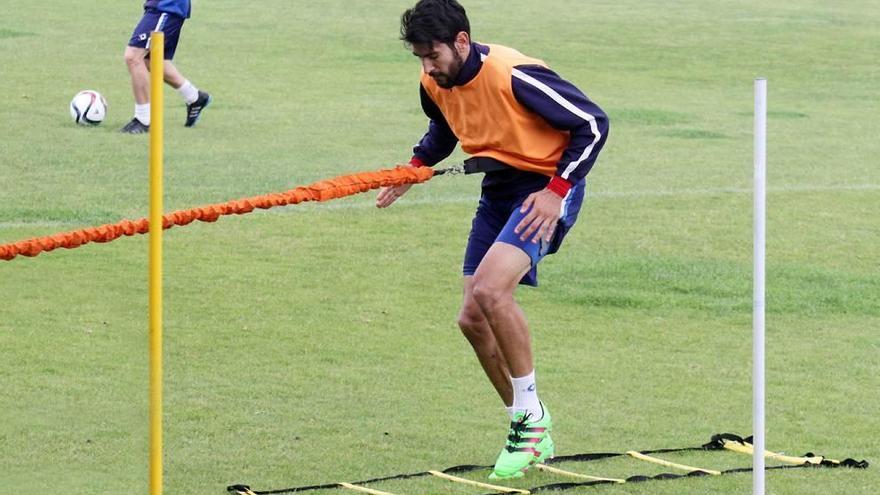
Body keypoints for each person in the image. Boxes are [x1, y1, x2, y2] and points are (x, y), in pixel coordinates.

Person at [376, 0, 609, 480]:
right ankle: (528, 422)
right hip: (499, 190)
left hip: (545, 187)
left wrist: (556, 192)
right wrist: (415, 167)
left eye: (432, 55)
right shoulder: (433, 83)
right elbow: (443, 127)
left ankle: (530, 422)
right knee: (471, 318)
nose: (426, 66)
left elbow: (592, 124)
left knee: (490, 291)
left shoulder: (514, 75)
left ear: (461, 41)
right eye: (419, 56)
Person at [121, 0, 211, 134]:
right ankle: (194, 97)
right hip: (163, 7)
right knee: (150, 60)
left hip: (167, 6)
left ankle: (143, 120)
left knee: (134, 57)